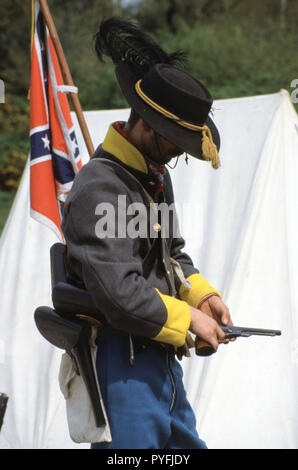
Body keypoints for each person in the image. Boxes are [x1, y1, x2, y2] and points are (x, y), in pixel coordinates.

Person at [61, 18, 233, 449]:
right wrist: (189, 319)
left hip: (159, 354)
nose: (180, 151)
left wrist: (203, 297)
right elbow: (119, 292)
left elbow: (172, 256)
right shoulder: (101, 186)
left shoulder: (153, 178)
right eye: (176, 139)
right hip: (122, 362)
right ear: (149, 126)